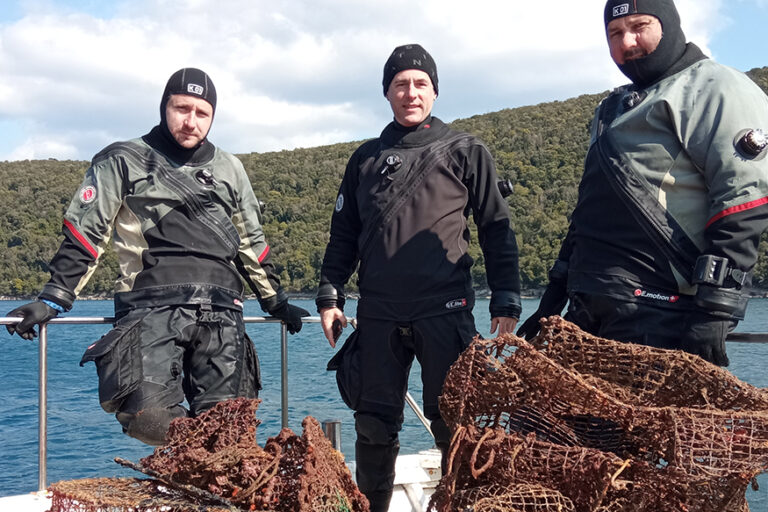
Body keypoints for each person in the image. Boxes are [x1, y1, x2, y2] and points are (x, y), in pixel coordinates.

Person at [6, 68, 309, 445]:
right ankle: (191, 461)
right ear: (164, 106)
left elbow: (251, 243)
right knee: (146, 418)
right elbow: (87, 232)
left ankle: (204, 482)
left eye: (202, 113)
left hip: (223, 310)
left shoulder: (231, 168)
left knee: (229, 431)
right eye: (182, 108)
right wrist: (54, 297)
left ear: (213, 116)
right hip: (150, 304)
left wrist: (277, 303)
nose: (190, 121)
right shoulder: (122, 159)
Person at [316, 44, 522, 511]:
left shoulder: (466, 150)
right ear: (387, 92)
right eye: (400, 84)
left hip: (444, 310)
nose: (411, 92)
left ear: (435, 90)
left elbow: (496, 229)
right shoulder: (364, 160)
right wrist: (330, 296)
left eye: (420, 83)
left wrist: (506, 300)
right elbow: (343, 236)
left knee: (454, 423)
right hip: (378, 313)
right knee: (373, 423)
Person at [518, 0, 768, 367]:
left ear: (668, 25)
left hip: (661, 312)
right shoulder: (612, 107)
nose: (627, 42)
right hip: (589, 308)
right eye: (615, 33)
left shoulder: (716, 87)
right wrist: (554, 292)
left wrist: (715, 309)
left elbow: (744, 201)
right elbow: (588, 213)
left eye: (640, 26)